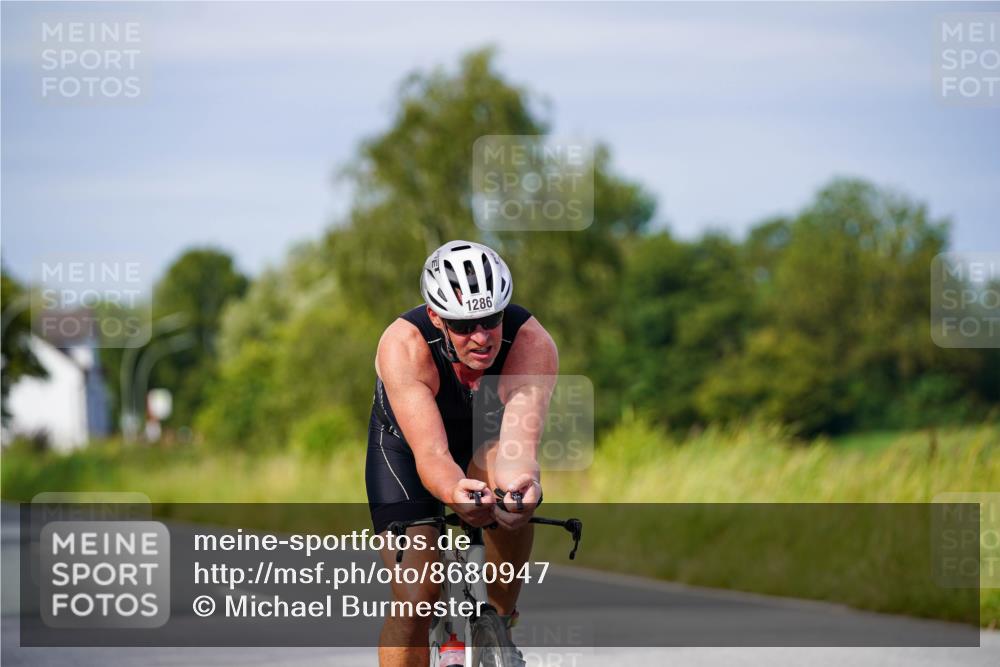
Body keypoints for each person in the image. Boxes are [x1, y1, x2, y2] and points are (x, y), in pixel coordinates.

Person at [366, 239, 558, 666]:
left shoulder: (532, 345)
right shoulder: (404, 346)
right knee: (418, 595)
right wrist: (454, 490)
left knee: (513, 499)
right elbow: (432, 454)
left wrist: (521, 488)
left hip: (490, 442)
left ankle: (499, 627)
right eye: (463, 325)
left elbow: (517, 448)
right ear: (436, 317)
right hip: (408, 447)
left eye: (491, 319)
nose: (482, 336)